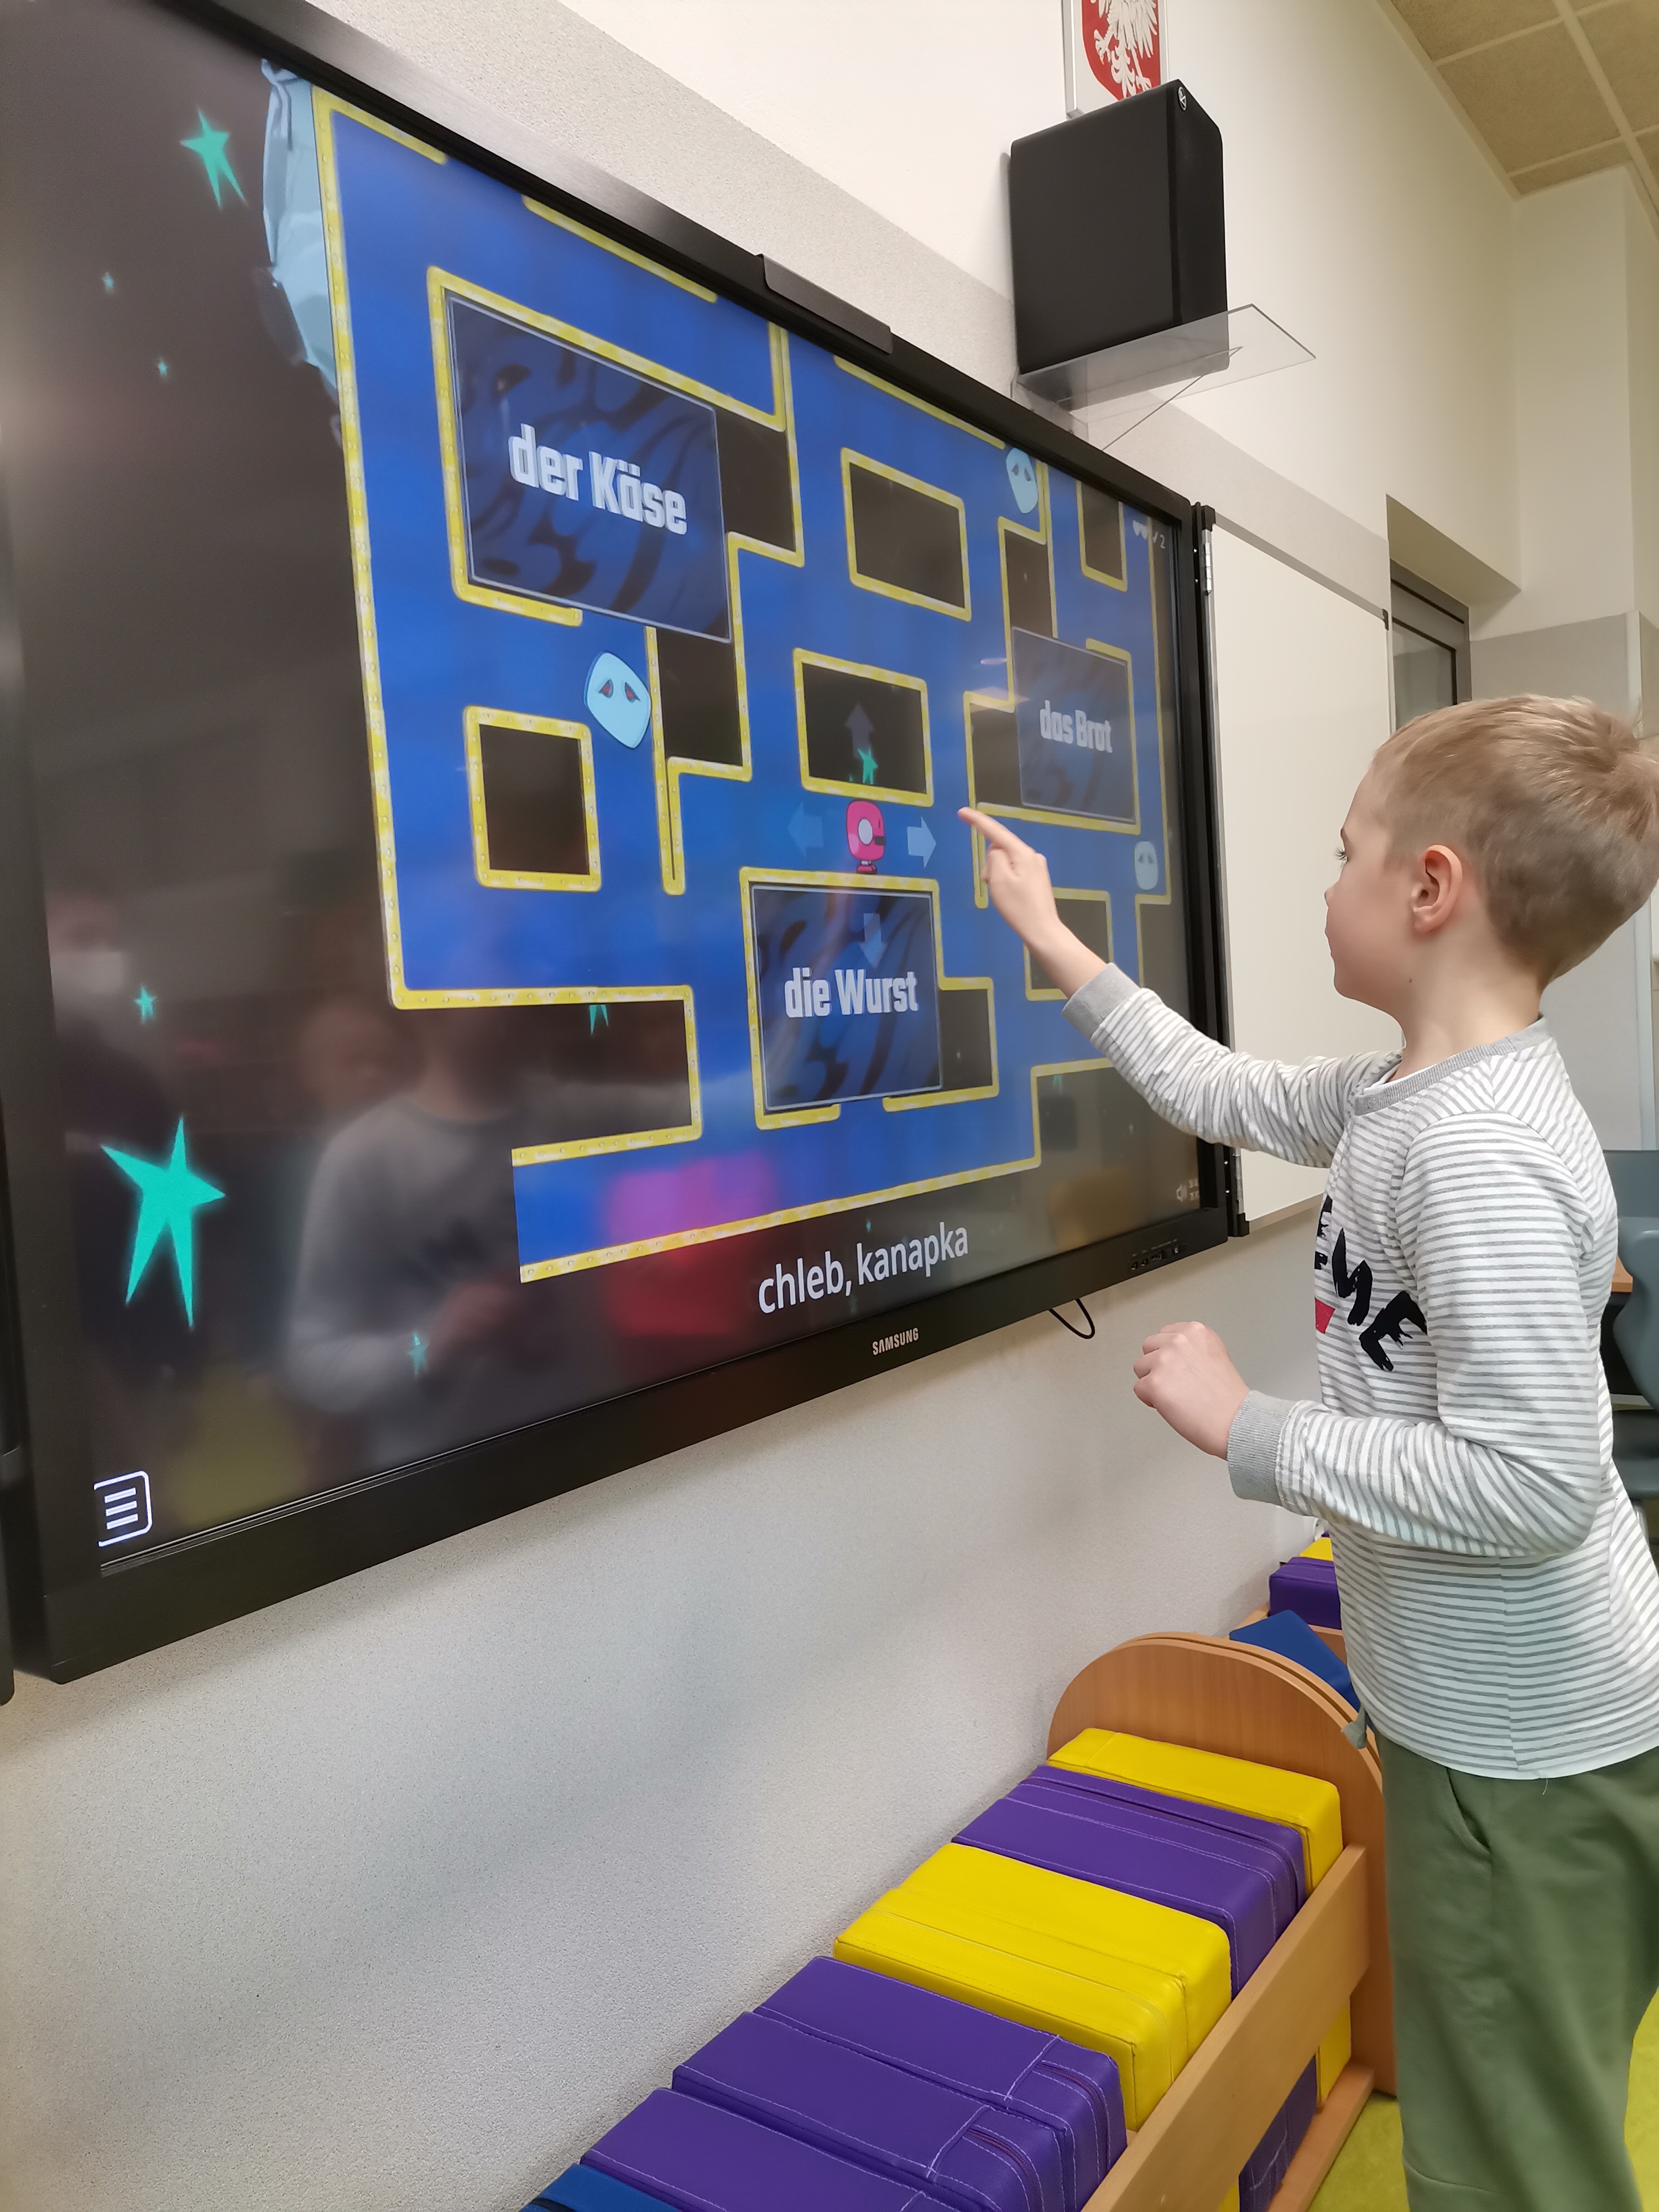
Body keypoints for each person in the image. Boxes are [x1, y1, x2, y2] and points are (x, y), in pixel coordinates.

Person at [962, 694, 1659, 2212]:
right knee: (1507, 2116)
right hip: (1484, 1719)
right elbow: (1221, 1090)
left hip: (1524, 1748)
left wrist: (1250, 1427)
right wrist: (1056, 941)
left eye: (1346, 851)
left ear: (1430, 888)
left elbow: (1537, 1484)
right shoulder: (1403, 1094)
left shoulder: (1474, 1148)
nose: (1325, 882)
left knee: (1514, 2163)